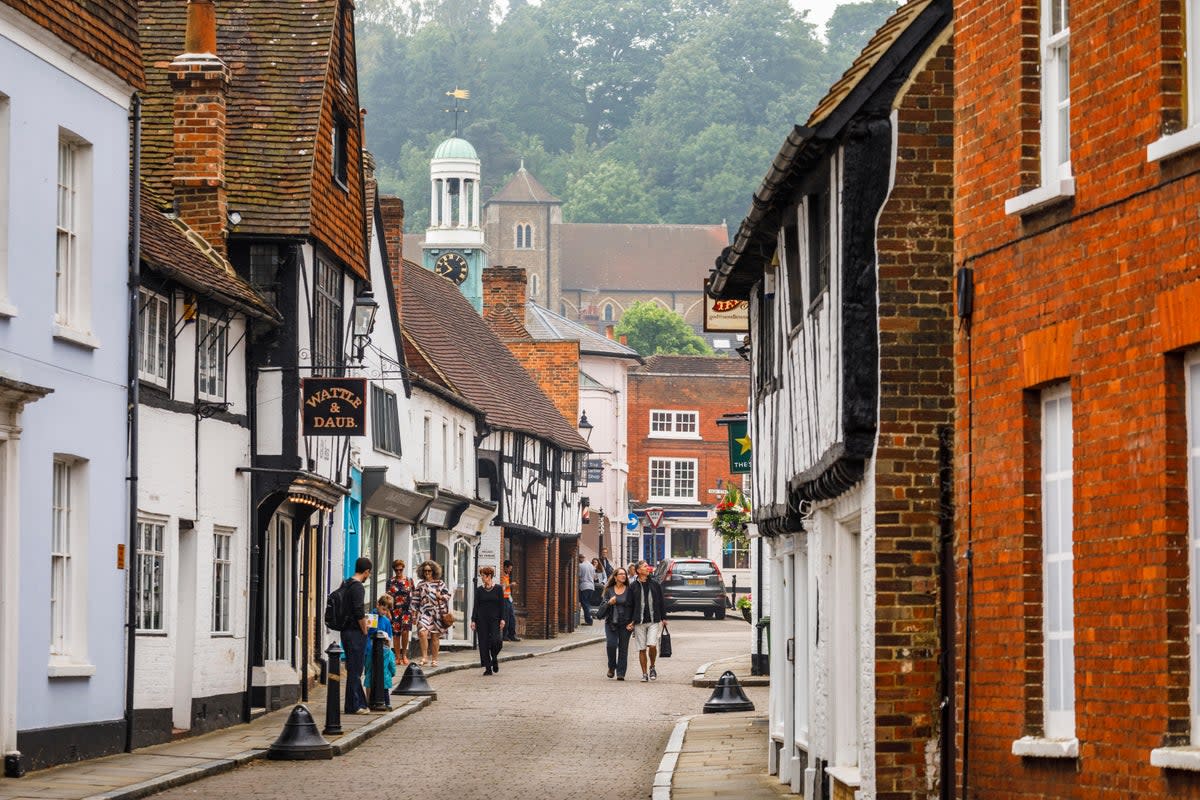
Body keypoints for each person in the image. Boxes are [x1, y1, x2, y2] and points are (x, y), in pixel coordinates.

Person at [339, 557, 371, 714]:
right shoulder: (358, 587)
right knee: (356, 669)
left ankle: (353, 704)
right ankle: (355, 705)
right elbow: (359, 611)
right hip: (354, 632)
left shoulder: (346, 583)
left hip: (345, 631)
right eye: (368, 574)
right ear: (366, 572)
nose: (368, 576)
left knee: (352, 667)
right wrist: (365, 630)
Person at [628, 559, 668, 682]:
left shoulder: (655, 584)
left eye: (647, 566)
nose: (648, 568)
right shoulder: (633, 586)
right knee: (641, 649)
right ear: (638, 570)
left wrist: (663, 617)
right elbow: (630, 605)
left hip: (653, 620)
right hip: (639, 622)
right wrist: (630, 621)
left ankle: (652, 666)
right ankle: (644, 673)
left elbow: (661, 601)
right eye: (645, 567)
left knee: (652, 645)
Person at [414, 560, 452, 667]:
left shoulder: (440, 583)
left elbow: (448, 595)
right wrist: (413, 614)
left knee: (435, 637)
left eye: (429, 571)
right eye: (425, 570)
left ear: (433, 571)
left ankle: (434, 659)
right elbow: (415, 599)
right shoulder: (420, 584)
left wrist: (440, 596)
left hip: (437, 613)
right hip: (424, 612)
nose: (427, 573)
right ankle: (424, 657)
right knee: (422, 633)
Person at [598, 567, 634, 680]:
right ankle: (611, 667)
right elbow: (602, 608)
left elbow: (634, 607)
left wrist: (633, 622)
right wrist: (609, 602)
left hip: (625, 623)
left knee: (623, 648)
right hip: (611, 623)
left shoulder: (629, 590)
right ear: (615, 577)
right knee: (611, 645)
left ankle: (621, 673)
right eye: (621, 574)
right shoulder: (609, 590)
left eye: (625, 574)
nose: (624, 576)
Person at [470, 566, 506, 675]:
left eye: (483, 576)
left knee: (497, 641)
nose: (481, 578)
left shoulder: (498, 589)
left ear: (489, 576)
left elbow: (502, 605)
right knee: (483, 643)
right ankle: (488, 668)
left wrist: (503, 619)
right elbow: (476, 606)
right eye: (481, 576)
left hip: (495, 619)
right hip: (482, 620)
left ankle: (494, 657)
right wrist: (473, 620)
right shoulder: (479, 590)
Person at [364, 595, 397, 697]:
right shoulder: (370, 617)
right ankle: (368, 699)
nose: (384, 612)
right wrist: (367, 628)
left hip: (382, 652)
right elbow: (365, 634)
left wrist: (387, 642)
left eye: (386, 610)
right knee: (369, 674)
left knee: (381, 674)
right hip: (369, 651)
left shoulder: (386, 621)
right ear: (378, 605)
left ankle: (379, 697)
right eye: (383, 609)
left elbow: (389, 638)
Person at [385, 559, 414, 665]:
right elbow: (387, 597)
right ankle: (397, 656)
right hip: (395, 610)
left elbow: (414, 596)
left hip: (406, 611)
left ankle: (404, 655)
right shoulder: (390, 582)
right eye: (396, 570)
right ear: (394, 570)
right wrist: (388, 611)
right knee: (396, 634)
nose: (398, 572)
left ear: (403, 569)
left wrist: (414, 612)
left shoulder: (409, 581)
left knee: (405, 632)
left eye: (400, 569)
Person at [500, 560, 520, 641]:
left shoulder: (507, 576)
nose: (510, 570)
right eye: (509, 569)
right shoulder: (502, 576)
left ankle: (512, 635)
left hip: (509, 599)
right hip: (504, 599)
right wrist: (511, 585)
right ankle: (505, 636)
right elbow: (503, 588)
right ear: (505, 567)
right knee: (506, 618)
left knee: (512, 617)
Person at [577, 553, 597, 625]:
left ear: (581, 558)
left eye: (579, 559)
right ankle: (590, 618)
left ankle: (589, 621)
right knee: (588, 603)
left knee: (585, 604)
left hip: (584, 586)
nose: (578, 561)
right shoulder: (591, 566)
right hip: (591, 587)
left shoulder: (580, 565)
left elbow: (578, 576)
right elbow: (594, 577)